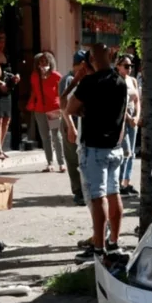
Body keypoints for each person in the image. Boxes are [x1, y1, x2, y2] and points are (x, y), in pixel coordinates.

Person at [66, 43, 128, 260]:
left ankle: (99, 246)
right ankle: (113, 243)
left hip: (94, 147)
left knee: (97, 197)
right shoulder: (120, 81)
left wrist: (86, 110)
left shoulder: (89, 82)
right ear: (110, 56)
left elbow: (69, 108)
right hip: (114, 147)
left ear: (91, 59)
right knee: (113, 194)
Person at [26, 52, 66, 173]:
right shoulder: (34, 76)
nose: (43, 64)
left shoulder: (56, 76)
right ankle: (49, 163)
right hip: (39, 110)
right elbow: (34, 91)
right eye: (40, 62)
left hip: (53, 109)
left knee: (56, 136)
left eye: (45, 62)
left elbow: (62, 93)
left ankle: (61, 163)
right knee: (45, 137)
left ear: (50, 62)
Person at [61, 51, 90, 205]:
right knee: (73, 159)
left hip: (81, 123)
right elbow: (63, 106)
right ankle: (78, 191)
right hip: (69, 122)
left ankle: (84, 189)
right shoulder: (68, 80)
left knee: (82, 158)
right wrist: (71, 127)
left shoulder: (85, 79)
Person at [0, 39, 18, 160]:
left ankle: (0, 148)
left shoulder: (6, 54)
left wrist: (15, 78)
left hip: (7, 89)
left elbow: (10, 71)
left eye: (3, 41)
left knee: (7, 118)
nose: (1, 44)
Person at [116, 55, 140, 195]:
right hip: (122, 117)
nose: (129, 68)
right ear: (118, 66)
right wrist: (129, 118)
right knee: (126, 151)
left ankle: (127, 181)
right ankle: (119, 182)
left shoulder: (133, 81)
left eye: (130, 66)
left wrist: (136, 116)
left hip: (132, 117)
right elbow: (118, 104)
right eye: (126, 66)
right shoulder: (117, 81)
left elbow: (137, 100)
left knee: (132, 153)